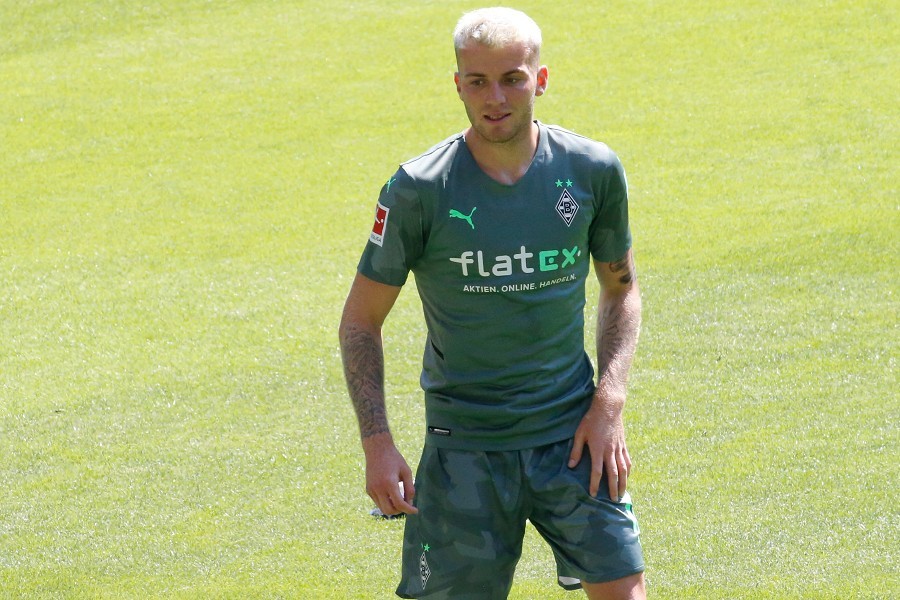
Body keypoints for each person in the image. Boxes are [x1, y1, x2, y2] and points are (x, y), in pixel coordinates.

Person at [339, 7, 646, 599]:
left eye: (513, 77)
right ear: (457, 84)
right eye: (477, 81)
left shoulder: (591, 171)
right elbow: (361, 321)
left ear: (541, 78)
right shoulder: (418, 190)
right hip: (465, 449)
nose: (495, 97)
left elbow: (621, 289)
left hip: (574, 437)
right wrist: (377, 442)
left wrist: (610, 400)